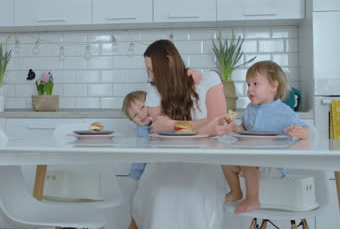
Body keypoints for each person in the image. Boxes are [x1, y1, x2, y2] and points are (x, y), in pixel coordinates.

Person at [129, 39, 232, 229]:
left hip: (204, 161)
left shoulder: (209, 79)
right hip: (165, 161)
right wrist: (203, 128)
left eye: (153, 70)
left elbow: (219, 122)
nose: (151, 77)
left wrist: (173, 124)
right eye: (148, 71)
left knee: (193, 199)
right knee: (160, 195)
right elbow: (160, 131)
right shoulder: (154, 91)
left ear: (168, 61)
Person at [222, 60, 309, 214]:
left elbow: (307, 130)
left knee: (249, 162)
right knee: (225, 162)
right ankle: (236, 191)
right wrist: (237, 128)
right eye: (248, 85)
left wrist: (301, 132)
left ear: (273, 87)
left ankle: (253, 199)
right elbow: (245, 130)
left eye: (256, 84)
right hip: (251, 162)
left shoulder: (284, 111)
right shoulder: (250, 109)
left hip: (272, 165)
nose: (250, 89)